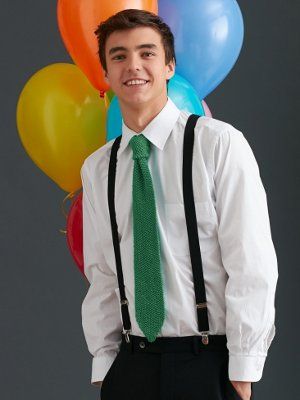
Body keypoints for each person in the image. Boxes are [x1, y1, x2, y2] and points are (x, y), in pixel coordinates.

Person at [80, 8, 278, 400]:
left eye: (147, 53)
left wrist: (243, 365)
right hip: (132, 362)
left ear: (169, 66)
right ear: (105, 73)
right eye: (118, 56)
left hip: (206, 361)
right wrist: (105, 364)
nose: (133, 65)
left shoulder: (218, 144)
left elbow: (251, 262)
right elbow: (103, 274)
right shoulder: (98, 167)